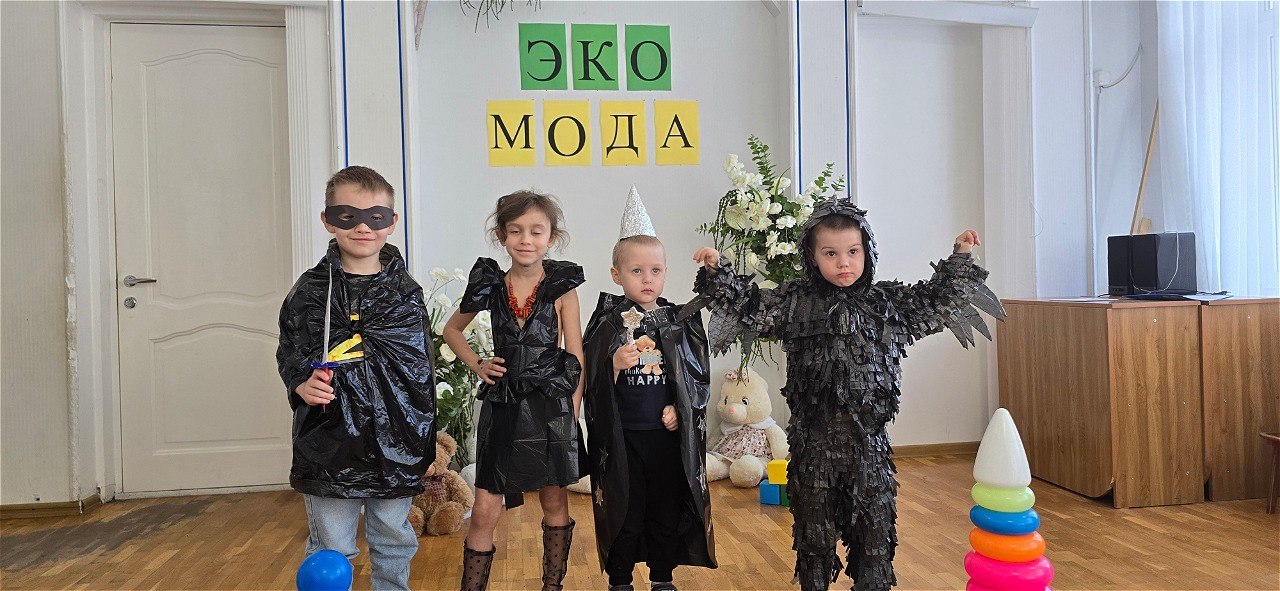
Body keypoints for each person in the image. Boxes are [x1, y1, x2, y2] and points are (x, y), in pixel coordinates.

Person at [688, 197, 1006, 591]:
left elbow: (936, 300)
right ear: (812, 256)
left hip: (869, 449)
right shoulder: (794, 302)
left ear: (866, 251)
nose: (844, 263)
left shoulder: (887, 304)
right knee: (814, 538)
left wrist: (960, 256)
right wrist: (718, 272)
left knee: (874, 537)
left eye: (853, 252)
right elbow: (750, 305)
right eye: (831, 253)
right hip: (813, 447)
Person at [276, 165, 436, 591]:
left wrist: (421, 436)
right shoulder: (310, 291)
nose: (363, 227)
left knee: (393, 536)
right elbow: (291, 348)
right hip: (330, 437)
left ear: (392, 223)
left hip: (395, 437)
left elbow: (420, 371)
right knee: (331, 546)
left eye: (375, 216)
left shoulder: (405, 294)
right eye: (348, 216)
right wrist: (300, 382)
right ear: (328, 220)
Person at [442, 190, 585, 591]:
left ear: (551, 237)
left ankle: (552, 586)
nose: (526, 239)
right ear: (502, 235)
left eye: (536, 231)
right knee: (485, 506)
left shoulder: (562, 287)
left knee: (554, 499)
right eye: (516, 230)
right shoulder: (490, 284)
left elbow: (575, 352)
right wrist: (478, 363)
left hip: (551, 405)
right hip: (503, 405)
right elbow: (452, 330)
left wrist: (573, 409)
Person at [583, 188, 718, 591]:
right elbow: (590, 382)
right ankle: (620, 581)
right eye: (637, 271)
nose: (647, 279)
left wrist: (680, 407)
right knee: (626, 511)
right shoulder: (606, 323)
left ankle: (662, 578)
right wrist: (612, 365)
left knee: (665, 510)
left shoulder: (675, 320)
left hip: (665, 438)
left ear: (665, 272)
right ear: (617, 275)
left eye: (655, 270)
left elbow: (693, 376)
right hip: (624, 439)